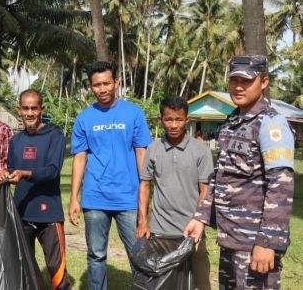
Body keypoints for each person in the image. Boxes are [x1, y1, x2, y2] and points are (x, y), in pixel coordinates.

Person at [184, 55, 295, 289]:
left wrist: (267, 242)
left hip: (255, 242)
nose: (238, 86)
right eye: (234, 80)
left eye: (246, 81)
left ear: (264, 82)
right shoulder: (232, 122)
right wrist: (201, 217)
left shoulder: (271, 125)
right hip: (231, 238)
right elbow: (221, 177)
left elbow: (281, 187)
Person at [69, 61, 152, 290]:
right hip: (95, 198)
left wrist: (145, 195)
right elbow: (79, 158)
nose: (102, 89)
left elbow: (141, 154)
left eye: (107, 83)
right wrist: (74, 197)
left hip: (129, 198)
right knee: (96, 256)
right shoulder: (84, 118)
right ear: (91, 87)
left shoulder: (134, 113)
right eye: (97, 85)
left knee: (139, 255)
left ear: (116, 83)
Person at [0, 89, 72, 290]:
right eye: (26, 108)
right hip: (22, 213)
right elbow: (12, 169)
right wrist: (6, 174)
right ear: (19, 110)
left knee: (56, 268)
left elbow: (52, 171)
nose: (30, 113)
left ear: (41, 109)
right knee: (25, 268)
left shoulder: (55, 135)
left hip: (49, 213)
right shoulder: (16, 140)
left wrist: (25, 173)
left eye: (34, 108)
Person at [136, 96, 213, 290]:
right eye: (168, 119)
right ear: (160, 119)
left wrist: (198, 221)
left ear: (187, 120)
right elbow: (145, 185)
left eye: (178, 119)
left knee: (200, 283)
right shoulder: (153, 149)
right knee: (162, 284)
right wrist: (143, 221)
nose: (173, 124)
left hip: (192, 234)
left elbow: (205, 190)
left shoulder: (201, 151)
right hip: (159, 232)